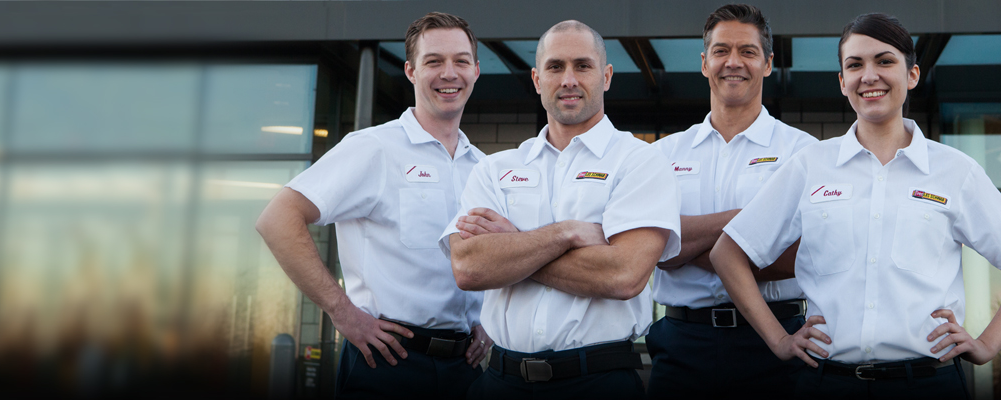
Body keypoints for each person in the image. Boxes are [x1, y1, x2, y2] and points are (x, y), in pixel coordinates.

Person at [712, 13, 1001, 399]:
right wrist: (780, 341)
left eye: (884, 61)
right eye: (855, 65)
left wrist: (987, 345)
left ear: (912, 74)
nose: (869, 76)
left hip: (929, 384)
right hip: (826, 383)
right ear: (842, 82)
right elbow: (728, 253)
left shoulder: (955, 172)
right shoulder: (810, 166)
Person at [438, 20, 681, 399]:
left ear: (606, 76)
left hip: (598, 382)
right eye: (555, 67)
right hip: (499, 382)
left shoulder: (639, 162)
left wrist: (513, 249)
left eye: (582, 66)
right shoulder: (496, 168)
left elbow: (624, 276)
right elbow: (469, 267)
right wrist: (565, 234)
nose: (568, 79)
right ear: (537, 79)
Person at [255, 12, 491, 399]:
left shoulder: (483, 167)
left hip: (464, 369)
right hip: (387, 363)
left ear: (476, 71)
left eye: (461, 61)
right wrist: (341, 312)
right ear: (411, 71)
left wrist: (488, 322)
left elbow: (489, 258)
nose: (449, 73)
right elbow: (277, 218)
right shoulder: (374, 148)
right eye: (434, 61)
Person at [645, 4, 817, 398]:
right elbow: (652, 248)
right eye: (721, 51)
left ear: (768, 63)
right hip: (683, 343)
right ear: (705, 63)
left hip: (776, 342)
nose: (733, 62)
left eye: (748, 51)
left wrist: (686, 240)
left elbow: (801, 256)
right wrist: (746, 223)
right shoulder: (663, 155)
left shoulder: (803, 153)